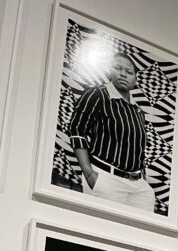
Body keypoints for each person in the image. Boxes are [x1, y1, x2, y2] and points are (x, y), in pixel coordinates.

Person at [66, 52, 155, 211]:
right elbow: (77, 129)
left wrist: (143, 177)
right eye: (118, 68)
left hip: (138, 185)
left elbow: (138, 149)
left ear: (135, 79)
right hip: (107, 178)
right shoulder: (97, 94)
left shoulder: (138, 110)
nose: (123, 74)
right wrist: (88, 173)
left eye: (129, 72)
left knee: (140, 233)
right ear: (109, 71)